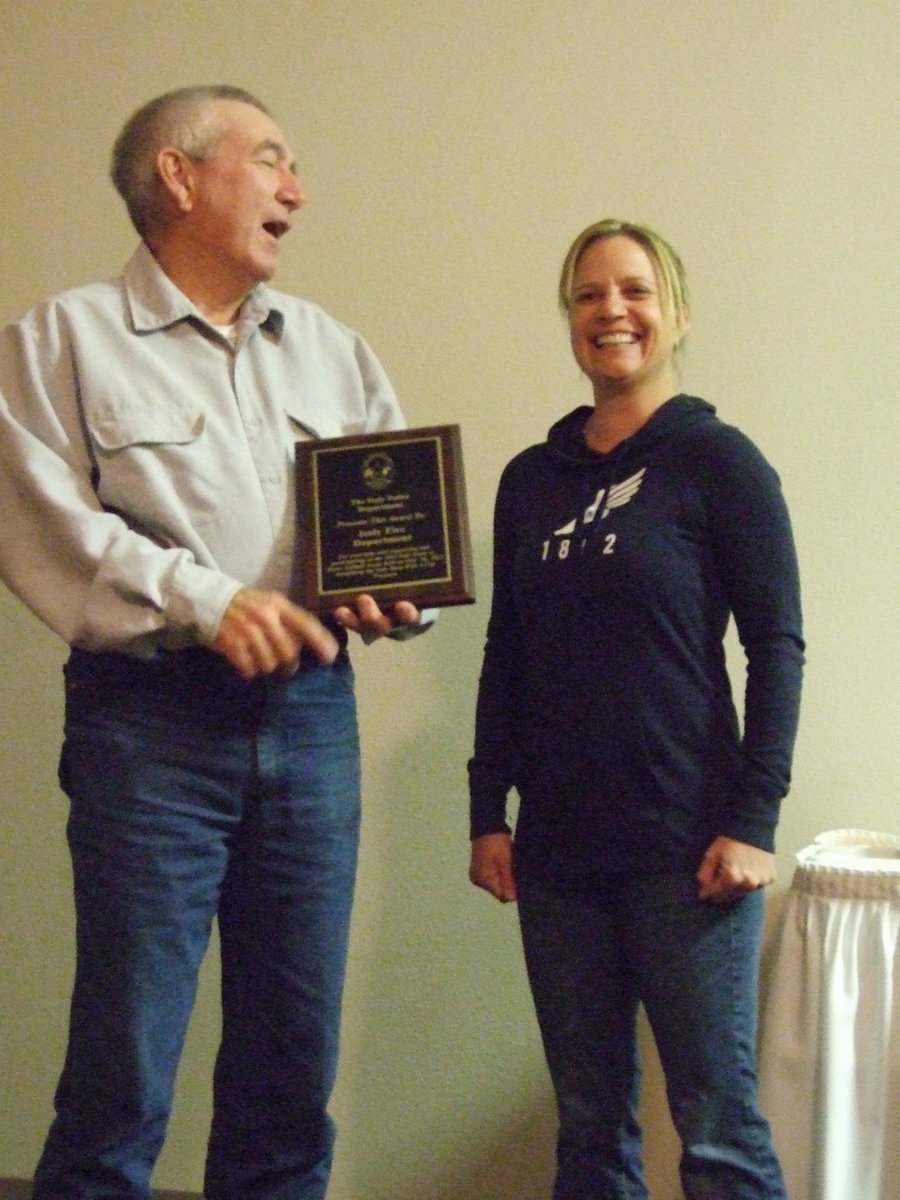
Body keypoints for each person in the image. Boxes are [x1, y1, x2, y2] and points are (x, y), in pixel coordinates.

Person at [0, 85, 433, 1200]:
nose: (297, 190)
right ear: (180, 177)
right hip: (148, 732)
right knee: (122, 1074)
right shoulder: (60, 340)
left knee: (293, 1070)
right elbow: (42, 533)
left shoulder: (335, 352)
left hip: (313, 723)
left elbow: (391, 539)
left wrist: (395, 597)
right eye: (271, 160)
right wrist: (204, 598)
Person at [467, 218, 803, 1199]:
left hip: (689, 852)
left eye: (635, 290)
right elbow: (507, 652)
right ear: (570, 321)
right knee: (589, 1124)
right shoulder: (530, 482)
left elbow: (775, 650)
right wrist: (490, 812)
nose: (611, 310)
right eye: (588, 294)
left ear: (676, 314)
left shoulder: (719, 463)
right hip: (561, 858)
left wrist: (753, 821)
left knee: (716, 1124)